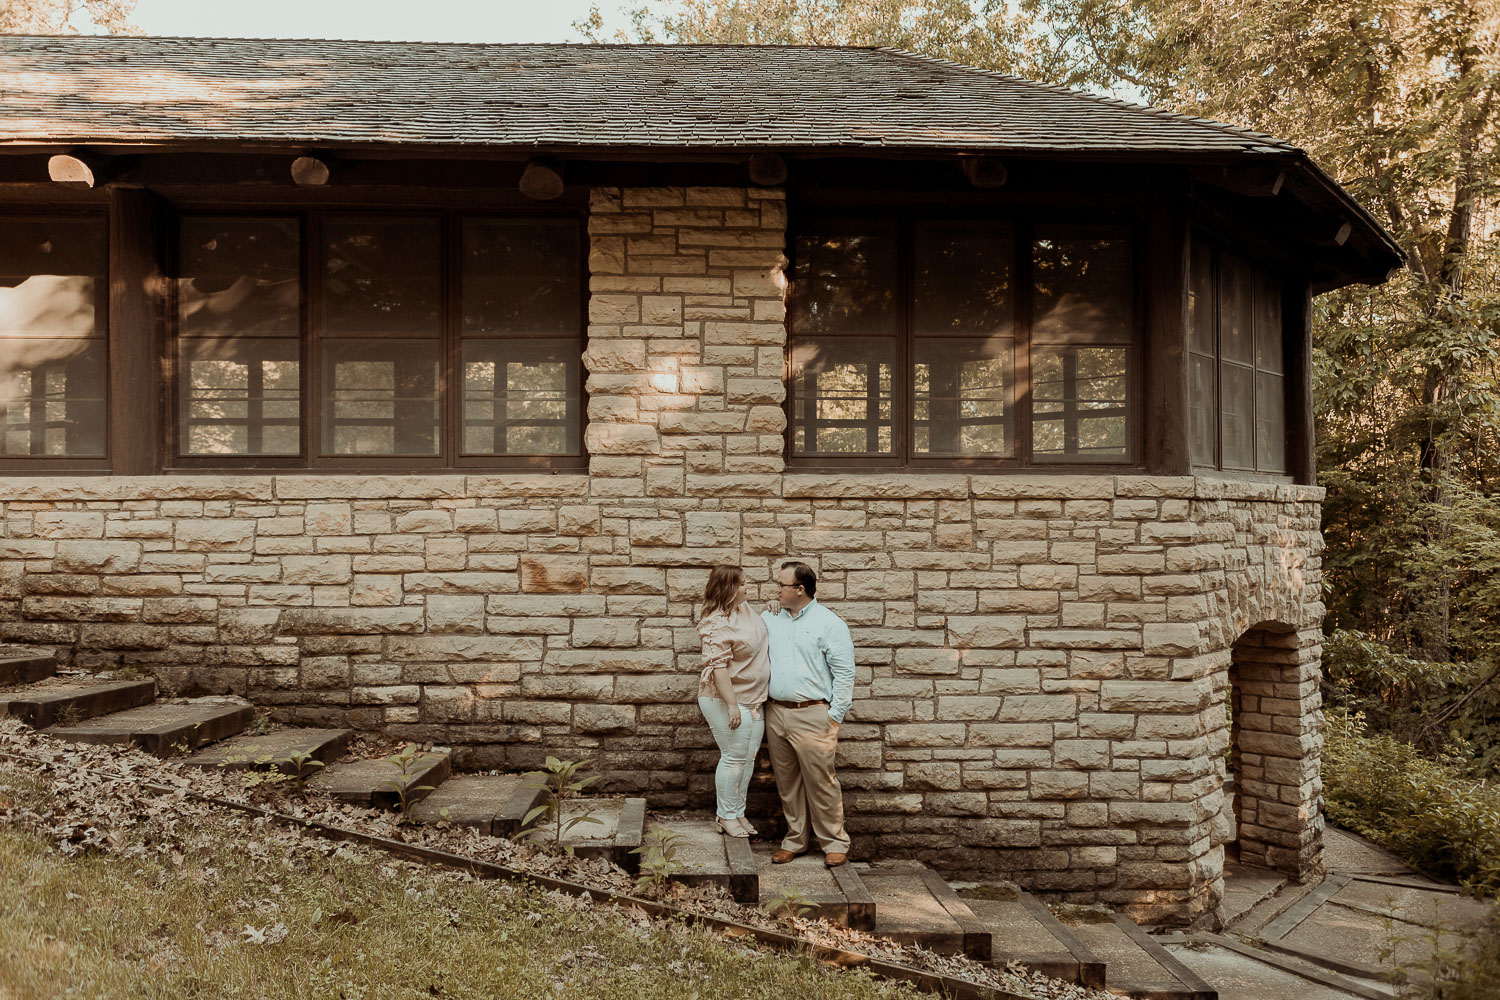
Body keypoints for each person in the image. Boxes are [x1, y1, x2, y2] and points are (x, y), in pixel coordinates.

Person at [762, 560, 856, 866]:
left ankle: (834, 842)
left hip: (813, 715)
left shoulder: (830, 624)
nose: (776, 590)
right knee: (787, 783)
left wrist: (834, 716)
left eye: (781, 585)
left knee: (821, 781)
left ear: (800, 589)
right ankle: (796, 839)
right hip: (776, 713)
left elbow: (844, 674)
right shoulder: (770, 617)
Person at [695, 564, 771, 838]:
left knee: (747, 760)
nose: (746, 588)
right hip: (725, 700)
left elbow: (761, 630)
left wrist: (773, 607)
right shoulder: (716, 623)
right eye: (741, 584)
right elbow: (718, 669)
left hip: (753, 700)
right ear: (727, 589)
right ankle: (725, 816)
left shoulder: (745, 610)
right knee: (733, 758)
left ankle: (737, 812)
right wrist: (731, 705)